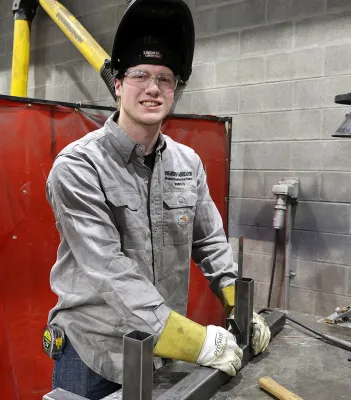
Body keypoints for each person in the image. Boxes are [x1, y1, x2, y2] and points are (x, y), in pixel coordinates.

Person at [45, 1, 271, 398]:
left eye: (165, 79)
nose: (153, 88)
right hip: (94, 354)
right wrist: (199, 343)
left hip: (159, 354)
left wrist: (240, 303)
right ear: (117, 84)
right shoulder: (79, 167)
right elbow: (112, 273)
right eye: (140, 75)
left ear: (176, 90)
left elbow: (210, 242)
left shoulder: (187, 163)